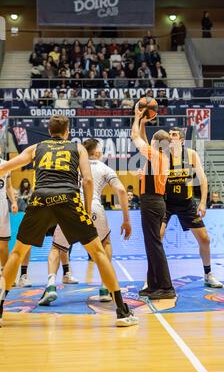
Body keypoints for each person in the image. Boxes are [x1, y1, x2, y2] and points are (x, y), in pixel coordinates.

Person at [0, 115, 138, 327]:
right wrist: (85, 208)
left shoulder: (37, 148)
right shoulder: (78, 148)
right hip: (68, 199)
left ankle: (0, 308)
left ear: (49, 131)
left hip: (40, 199)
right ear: (67, 132)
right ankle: (121, 311)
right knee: (98, 252)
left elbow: (6, 167)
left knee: (18, 253)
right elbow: (88, 179)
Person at [38, 138, 131, 306]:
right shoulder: (104, 168)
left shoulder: (72, 166)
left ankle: (50, 286)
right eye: (101, 151)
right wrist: (126, 220)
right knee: (105, 243)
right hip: (93, 207)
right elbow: (122, 191)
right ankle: (104, 287)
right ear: (96, 153)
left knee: (56, 248)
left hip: (69, 206)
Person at [161, 127, 223, 288]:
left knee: (204, 239)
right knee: (157, 238)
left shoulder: (191, 155)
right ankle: (153, 277)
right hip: (166, 203)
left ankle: (208, 274)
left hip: (186, 203)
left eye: (173, 135)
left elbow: (202, 179)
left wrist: (202, 202)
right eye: (169, 135)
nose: (170, 137)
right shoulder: (162, 156)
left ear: (181, 140)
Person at [131, 104, 175, 300]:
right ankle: (154, 284)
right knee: (152, 245)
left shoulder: (156, 156)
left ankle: (166, 287)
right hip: (155, 202)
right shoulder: (161, 156)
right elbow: (144, 139)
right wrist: (143, 123)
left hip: (152, 202)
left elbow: (135, 138)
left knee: (155, 245)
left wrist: (136, 117)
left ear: (158, 144)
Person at [0, 146, 18, 275]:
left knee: (3, 243)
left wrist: (14, 202)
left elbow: (9, 187)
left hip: (2, 207)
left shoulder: (6, 165)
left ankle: (4, 272)